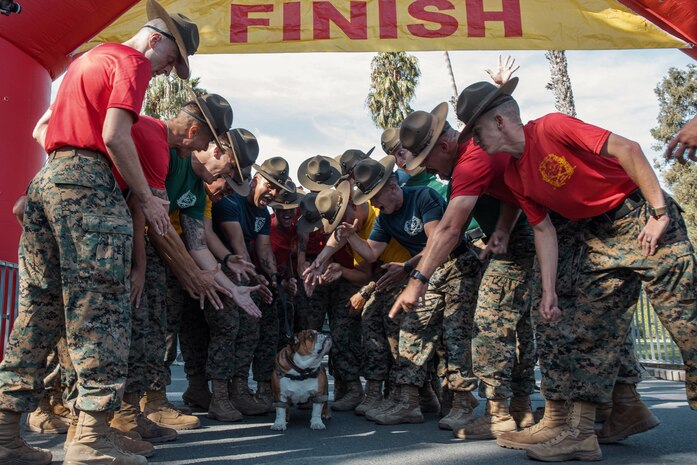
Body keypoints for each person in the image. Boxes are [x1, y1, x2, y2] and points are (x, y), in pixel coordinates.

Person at [457, 77, 697, 461]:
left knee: (689, 324)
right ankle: (579, 433)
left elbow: (627, 148)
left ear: (500, 121)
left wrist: (658, 212)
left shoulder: (551, 127)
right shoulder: (516, 174)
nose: (473, 141)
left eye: (476, 130)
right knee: (586, 332)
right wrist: (549, 291)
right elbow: (542, 230)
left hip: (639, 215)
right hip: (594, 236)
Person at [0, 1, 198, 464]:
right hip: (89, 185)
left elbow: (40, 127)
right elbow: (114, 135)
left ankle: (6, 436)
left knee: (38, 310)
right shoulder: (131, 61)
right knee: (101, 315)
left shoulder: (86, 59)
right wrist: (147, 198)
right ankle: (89, 441)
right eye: (171, 60)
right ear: (155, 39)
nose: (167, 72)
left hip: (49, 180)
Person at [396, 95, 537, 439]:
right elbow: (512, 191)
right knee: (517, 325)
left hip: (533, 235)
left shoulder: (470, 161)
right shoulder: (476, 153)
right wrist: (502, 228)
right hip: (523, 233)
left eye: (427, 163)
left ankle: (499, 414)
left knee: (489, 321)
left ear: (446, 145)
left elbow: (448, 229)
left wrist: (418, 280)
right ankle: (521, 406)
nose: (428, 171)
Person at [339, 156, 482, 427]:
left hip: (458, 266)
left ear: (393, 186)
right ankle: (408, 403)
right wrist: (350, 236)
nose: (372, 204)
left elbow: (437, 242)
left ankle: (462, 403)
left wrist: (406, 267)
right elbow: (370, 253)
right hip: (428, 272)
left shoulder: (422, 197)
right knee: (412, 329)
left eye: (375, 196)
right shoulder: (385, 217)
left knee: (455, 335)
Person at [213, 157, 293, 412]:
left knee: (258, 321)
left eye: (277, 192)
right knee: (228, 328)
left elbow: (264, 249)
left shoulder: (262, 212)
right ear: (256, 179)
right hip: (222, 268)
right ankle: (220, 396)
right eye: (269, 187)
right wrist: (254, 276)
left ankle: (241, 387)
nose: (271, 194)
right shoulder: (231, 201)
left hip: (245, 271)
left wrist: (271, 279)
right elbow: (237, 244)